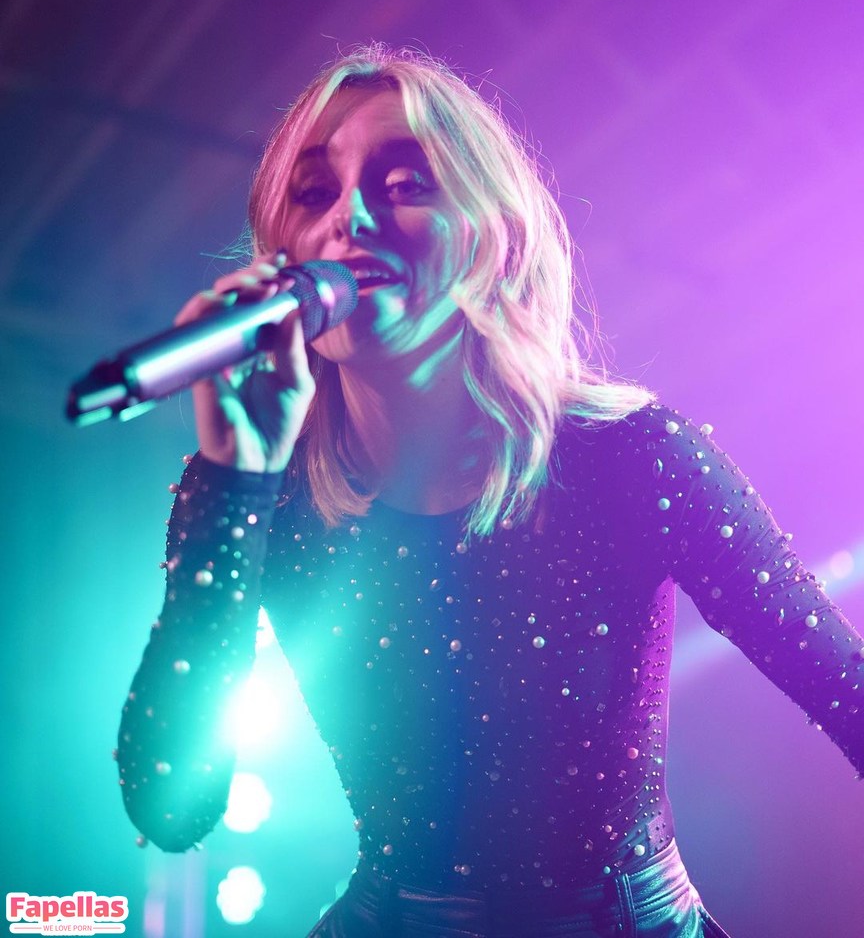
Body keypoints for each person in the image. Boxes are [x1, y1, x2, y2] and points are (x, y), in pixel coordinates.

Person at [117, 45, 864, 937]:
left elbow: (847, 689)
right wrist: (233, 485)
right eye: (314, 193)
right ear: (283, 261)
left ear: (495, 235)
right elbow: (170, 809)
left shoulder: (630, 456)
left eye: (405, 184)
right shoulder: (260, 496)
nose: (350, 215)